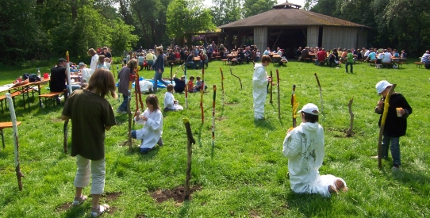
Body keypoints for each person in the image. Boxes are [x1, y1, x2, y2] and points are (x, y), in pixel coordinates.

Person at [61, 68, 117, 217]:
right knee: (98, 173)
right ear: (107, 85)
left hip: (80, 141)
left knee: (81, 168)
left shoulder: (75, 94)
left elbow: (65, 116)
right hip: (95, 144)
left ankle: (77, 198)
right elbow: (108, 127)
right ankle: (95, 208)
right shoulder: (103, 103)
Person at [282, 103, 348, 197]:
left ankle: (327, 189)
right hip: (313, 167)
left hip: (300, 169)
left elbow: (289, 153)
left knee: (300, 188)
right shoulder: (319, 128)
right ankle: (335, 181)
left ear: (303, 115)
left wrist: (288, 136)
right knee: (319, 179)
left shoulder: (297, 132)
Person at [373, 80, 412, 171]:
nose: (382, 94)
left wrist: (404, 111)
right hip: (386, 125)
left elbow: (409, 109)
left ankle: (396, 164)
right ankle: (383, 155)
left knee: (394, 146)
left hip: (396, 126)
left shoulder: (399, 97)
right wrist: (379, 106)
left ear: (389, 88)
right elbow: (379, 111)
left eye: (383, 92)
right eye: (381, 93)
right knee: (384, 142)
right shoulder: (384, 98)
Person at [252, 55, 272, 120]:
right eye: (268, 63)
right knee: (259, 101)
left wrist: (266, 77)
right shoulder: (261, 69)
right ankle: (258, 117)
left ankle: (260, 115)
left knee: (260, 101)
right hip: (259, 89)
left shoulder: (261, 68)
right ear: (266, 61)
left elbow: (261, 77)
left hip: (260, 89)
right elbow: (257, 80)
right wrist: (267, 80)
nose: (268, 64)